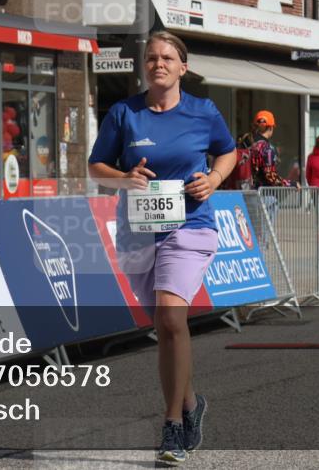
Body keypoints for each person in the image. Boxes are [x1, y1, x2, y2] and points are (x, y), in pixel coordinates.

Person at [88, 31, 237, 465]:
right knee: (165, 326)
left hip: (190, 226)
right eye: (151, 58)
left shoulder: (203, 112)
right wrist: (124, 179)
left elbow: (227, 154)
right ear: (144, 67)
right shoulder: (124, 113)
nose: (158, 64)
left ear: (182, 67)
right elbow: (97, 167)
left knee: (172, 315)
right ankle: (191, 402)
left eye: (167, 58)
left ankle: (172, 426)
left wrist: (214, 179)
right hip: (138, 229)